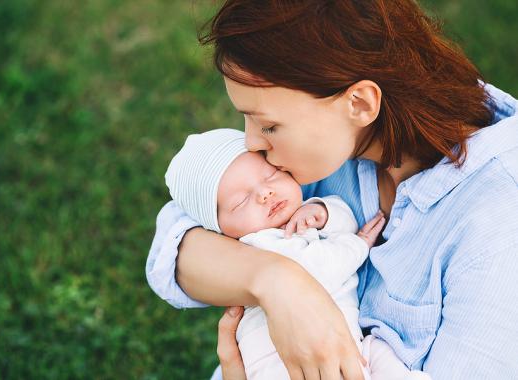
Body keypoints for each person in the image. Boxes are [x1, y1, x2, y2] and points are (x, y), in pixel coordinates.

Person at [146, 1, 518, 379]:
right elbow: (174, 243)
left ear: (359, 102)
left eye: (269, 126)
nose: (252, 143)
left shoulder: (498, 225)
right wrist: (278, 284)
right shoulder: (324, 147)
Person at [162, 128, 428, 379]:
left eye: (270, 176)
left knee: (380, 355)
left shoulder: (298, 215)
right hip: (281, 365)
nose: (265, 193)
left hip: (343, 345)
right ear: (220, 229)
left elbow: (344, 217)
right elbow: (321, 270)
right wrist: (358, 245)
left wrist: (323, 213)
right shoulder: (260, 243)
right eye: (241, 201)